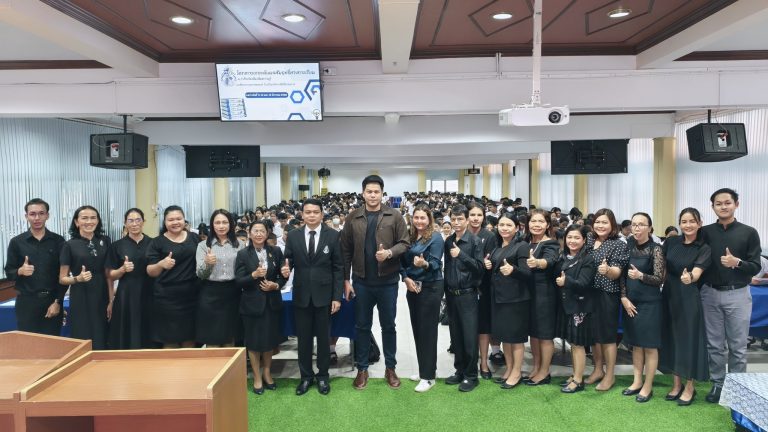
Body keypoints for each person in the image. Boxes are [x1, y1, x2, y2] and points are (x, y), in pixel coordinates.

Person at [341, 175, 410, 390]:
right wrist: (345, 280)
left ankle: (390, 368)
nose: (372, 195)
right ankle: (362, 369)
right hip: (361, 282)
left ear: (382, 193)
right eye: (369, 191)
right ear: (363, 193)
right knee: (362, 326)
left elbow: (405, 243)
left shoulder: (394, 215)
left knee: (388, 326)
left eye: (376, 192)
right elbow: (345, 250)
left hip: (388, 281)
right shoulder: (353, 217)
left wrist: (389, 253)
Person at [701, 188, 762, 403]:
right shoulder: (705, 232)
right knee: (714, 345)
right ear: (712, 207)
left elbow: (755, 266)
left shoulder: (749, 232)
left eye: (727, 202)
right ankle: (718, 384)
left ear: (736, 204)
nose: (723, 207)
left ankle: (737, 387)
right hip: (709, 294)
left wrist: (737, 263)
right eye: (718, 204)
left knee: (738, 345)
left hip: (738, 294)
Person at [281, 198, 343, 396]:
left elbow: (338, 268)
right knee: (304, 339)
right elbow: (288, 261)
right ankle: (306, 377)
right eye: (308, 212)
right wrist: (285, 270)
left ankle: (323, 376)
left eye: (316, 212)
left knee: (324, 339)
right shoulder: (294, 235)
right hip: (301, 295)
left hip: (324, 296)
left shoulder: (333, 235)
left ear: (322, 214)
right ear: (302, 214)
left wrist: (337, 297)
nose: (312, 215)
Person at [659, 207, 711, 406]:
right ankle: (676, 384)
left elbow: (697, 272)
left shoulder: (703, 248)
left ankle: (690, 386)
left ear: (699, 223)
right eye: (684, 221)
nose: (688, 225)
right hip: (669, 295)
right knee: (672, 339)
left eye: (692, 221)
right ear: (679, 223)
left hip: (688, 297)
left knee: (688, 341)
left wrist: (690, 277)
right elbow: (661, 268)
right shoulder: (671, 242)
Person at [619, 212, 666, 403]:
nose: (636, 228)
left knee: (650, 346)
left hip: (650, 303)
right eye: (634, 224)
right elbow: (622, 275)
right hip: (631, 302)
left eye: (641, 224)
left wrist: (640, 276)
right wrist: (623, 297)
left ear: (650, 228)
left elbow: (659, 278)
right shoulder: (628, 246)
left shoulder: (656, 249)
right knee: (636, 345)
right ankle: (637, 381)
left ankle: (648, 385)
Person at [236, 220, 286, 395]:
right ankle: (257, 377)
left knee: (269, 341)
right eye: (255, 231)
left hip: (272, 303)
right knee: (254, 343)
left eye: (262, 231)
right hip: (252, 305)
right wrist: (253, 275)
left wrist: (276, 285)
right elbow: (238, 281)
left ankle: (267, 373)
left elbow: (283, 275)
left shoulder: (276, 251)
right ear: (249, 233)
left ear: (267, 233)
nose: (258, 234)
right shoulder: (243, 254)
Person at [5, 198, 66, 336]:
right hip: (27, 302)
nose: (37, 218)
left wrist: (58, 302)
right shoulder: (17, 242)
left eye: (41, 213)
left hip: (52, 301)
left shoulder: (58, 241)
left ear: (47, 215)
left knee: (52, 343)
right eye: (32, 214)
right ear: (26, 216)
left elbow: (63, 275)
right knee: (28, 343)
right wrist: (20, 271)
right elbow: (9, 272)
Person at [483, 212, 531, 389]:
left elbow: (528, 273)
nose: (504, 228)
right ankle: (509, 369)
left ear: (517, 228)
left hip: (515, 299)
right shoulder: (497, 246)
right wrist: (488, 265)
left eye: (509, 225)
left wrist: (514, 270)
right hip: (499, 298)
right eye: (501, 225)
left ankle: (517, 372)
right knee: (505, 337)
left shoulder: (522, 246)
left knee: (516, 338)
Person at [400, 203, 444, 392]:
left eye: (422, 218)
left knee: (428, 331)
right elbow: (401, 261)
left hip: (431, 287)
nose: (419, 221)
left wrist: (424, 264)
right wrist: (406, 277)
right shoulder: (409, 236)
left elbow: (435, 264)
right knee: (417, 330)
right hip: (412, 286)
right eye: (416, 217)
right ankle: (424, 369)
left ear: (429, 219)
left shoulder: (436, 237)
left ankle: (428, 377)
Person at [585, 208, 629, 391]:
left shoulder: (618, 244)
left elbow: (617, 271)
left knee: (608, 336)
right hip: (589, 292)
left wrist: (608, 270)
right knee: (594, 335)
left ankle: (610, 375)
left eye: (604, 222)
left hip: (607, 293)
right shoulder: (589, 239)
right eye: (597, 222)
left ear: (612, 225)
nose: (600, 225)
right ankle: (598, 370)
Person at [443, 204, 484, 392]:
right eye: (453, 219)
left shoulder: (474, 241)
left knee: (469, 336)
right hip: (451, 295)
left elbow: (480, 268)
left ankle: (471, 375)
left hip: (468, 294)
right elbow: (447, 268)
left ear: (467, 221)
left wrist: (461, 255)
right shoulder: (449, 241)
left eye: (460, 219)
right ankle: (459, 370)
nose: (456, 222)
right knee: (456, 335)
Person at [146, 205, 200, 348]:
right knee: (170, 340)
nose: (175, 222)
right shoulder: (157, 242)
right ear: (165, 222)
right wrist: (161, 264)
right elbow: (150, 271)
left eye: (179, 219)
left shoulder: (194, 238)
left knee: (190, 339)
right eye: (171, 220)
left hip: (191, 297)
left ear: (184, 220)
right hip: (166, 299)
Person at [58, 205, 111, 349]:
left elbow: (109, 273)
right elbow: (62, 279)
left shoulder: (105, 241)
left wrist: (111, 299)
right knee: (83, 332)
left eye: (93, 218)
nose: (89, 221)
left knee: (103, 332)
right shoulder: (69, 245)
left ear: (98, 221)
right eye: (84, 218)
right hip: (81, 294)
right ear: (76, 222)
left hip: (102, 293)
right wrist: (77, 278)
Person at [555, 224, 597, 394]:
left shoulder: (588, 259)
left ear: (584, 240)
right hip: (567, 306)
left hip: (580, 307)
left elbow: (584, 284)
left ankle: (579, 380)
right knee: (572, 343)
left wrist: (566, 282)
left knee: (578, 345)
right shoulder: (563, 256)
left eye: (577, 238)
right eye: (569, 237)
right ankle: (574, 375)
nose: (572, 241)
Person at [106, 208, 155, 349]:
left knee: (148, 328)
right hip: (126, 294)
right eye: (130, 220)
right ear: (125, 223)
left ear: (144, 222)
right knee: (127, 330)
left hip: (150, 292)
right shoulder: (117, 245)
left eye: (138, 220)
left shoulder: (153, 243)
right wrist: (122, 269)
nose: (134, 224)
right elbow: (110, 275)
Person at [195, 209, 244, 347]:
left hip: (233, 293)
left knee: (230, 337)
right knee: (212, 338)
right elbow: (200, 274)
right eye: (217, 222)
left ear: (230, 224)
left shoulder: (239, 244)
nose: (221, 226)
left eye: (224, 222)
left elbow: (243, 269)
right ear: (212, 225)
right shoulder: (203, 246)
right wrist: (208, 264)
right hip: (210, 293)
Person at [524, 209, 561, 386]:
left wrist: (538, 262)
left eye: (540, 221)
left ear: (547, 225)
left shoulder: (551, 243)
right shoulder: (525, 242)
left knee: (545, 335)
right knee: (534, 333)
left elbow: (550, 260)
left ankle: (545, 371)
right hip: (527, 293)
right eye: (533, 221)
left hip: (544, 293)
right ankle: (537, 367)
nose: (536, 225)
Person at [467, 202, 498, 379]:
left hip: (484, 287)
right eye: (472, 215)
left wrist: (488, 263)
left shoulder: (489, 236)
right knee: (466, 327)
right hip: (463, 288)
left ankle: (484, 363)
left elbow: (492, 259)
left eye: (479, 215)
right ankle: (467, 363)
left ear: (483, 217)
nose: (475, 218)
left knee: (483, 327)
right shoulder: (460, 234)